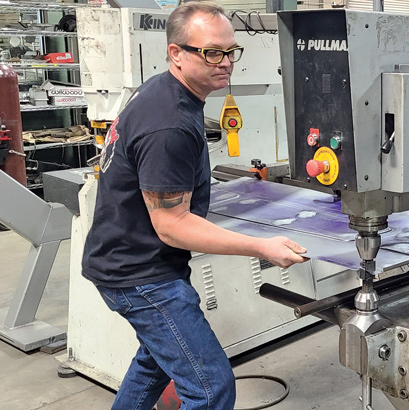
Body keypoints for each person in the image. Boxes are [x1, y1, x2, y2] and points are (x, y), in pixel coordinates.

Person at [81, 2, 308, 409]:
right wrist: (261, 246)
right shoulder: (169, 122)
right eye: (212, 53)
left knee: (155, 363)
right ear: (176, 54)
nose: (225, 63)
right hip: (140, 275)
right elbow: (171, 225)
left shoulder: (163, 92)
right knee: (209, 388)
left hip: (129, 261)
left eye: (231, 52)